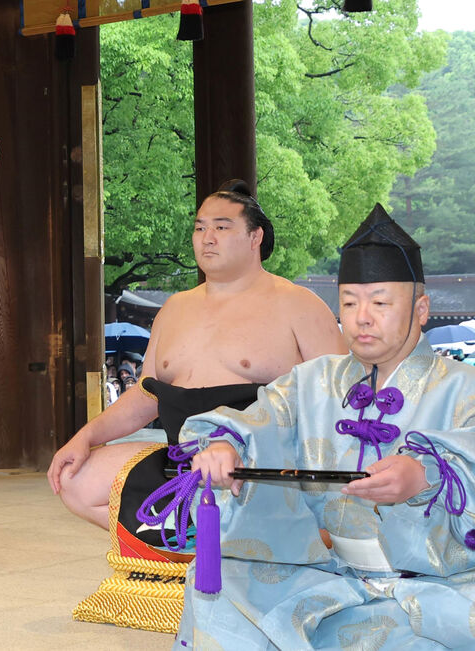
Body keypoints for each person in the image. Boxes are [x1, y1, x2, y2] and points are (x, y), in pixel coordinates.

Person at [174, 204, 475, 648]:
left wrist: (428, 473)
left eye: (380, 303)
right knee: (219, 583)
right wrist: (224, 447)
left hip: (434, 582)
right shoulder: (312, 380)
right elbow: (259, 419)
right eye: (349, 303)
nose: (362, 317)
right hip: (325, 571)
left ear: (422, 309)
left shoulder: (463, 387)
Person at [48, 181, 347, 555]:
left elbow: (337, 400)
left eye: (221, 227)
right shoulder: (174, 309)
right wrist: (86, 437)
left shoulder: (299, 305)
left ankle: (262, 543)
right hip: (181, 457)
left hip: (259, 466)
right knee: (73, 479)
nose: (207, 238)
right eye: (200, 227)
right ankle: (189, 553)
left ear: (255, 237)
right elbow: (145, 396)